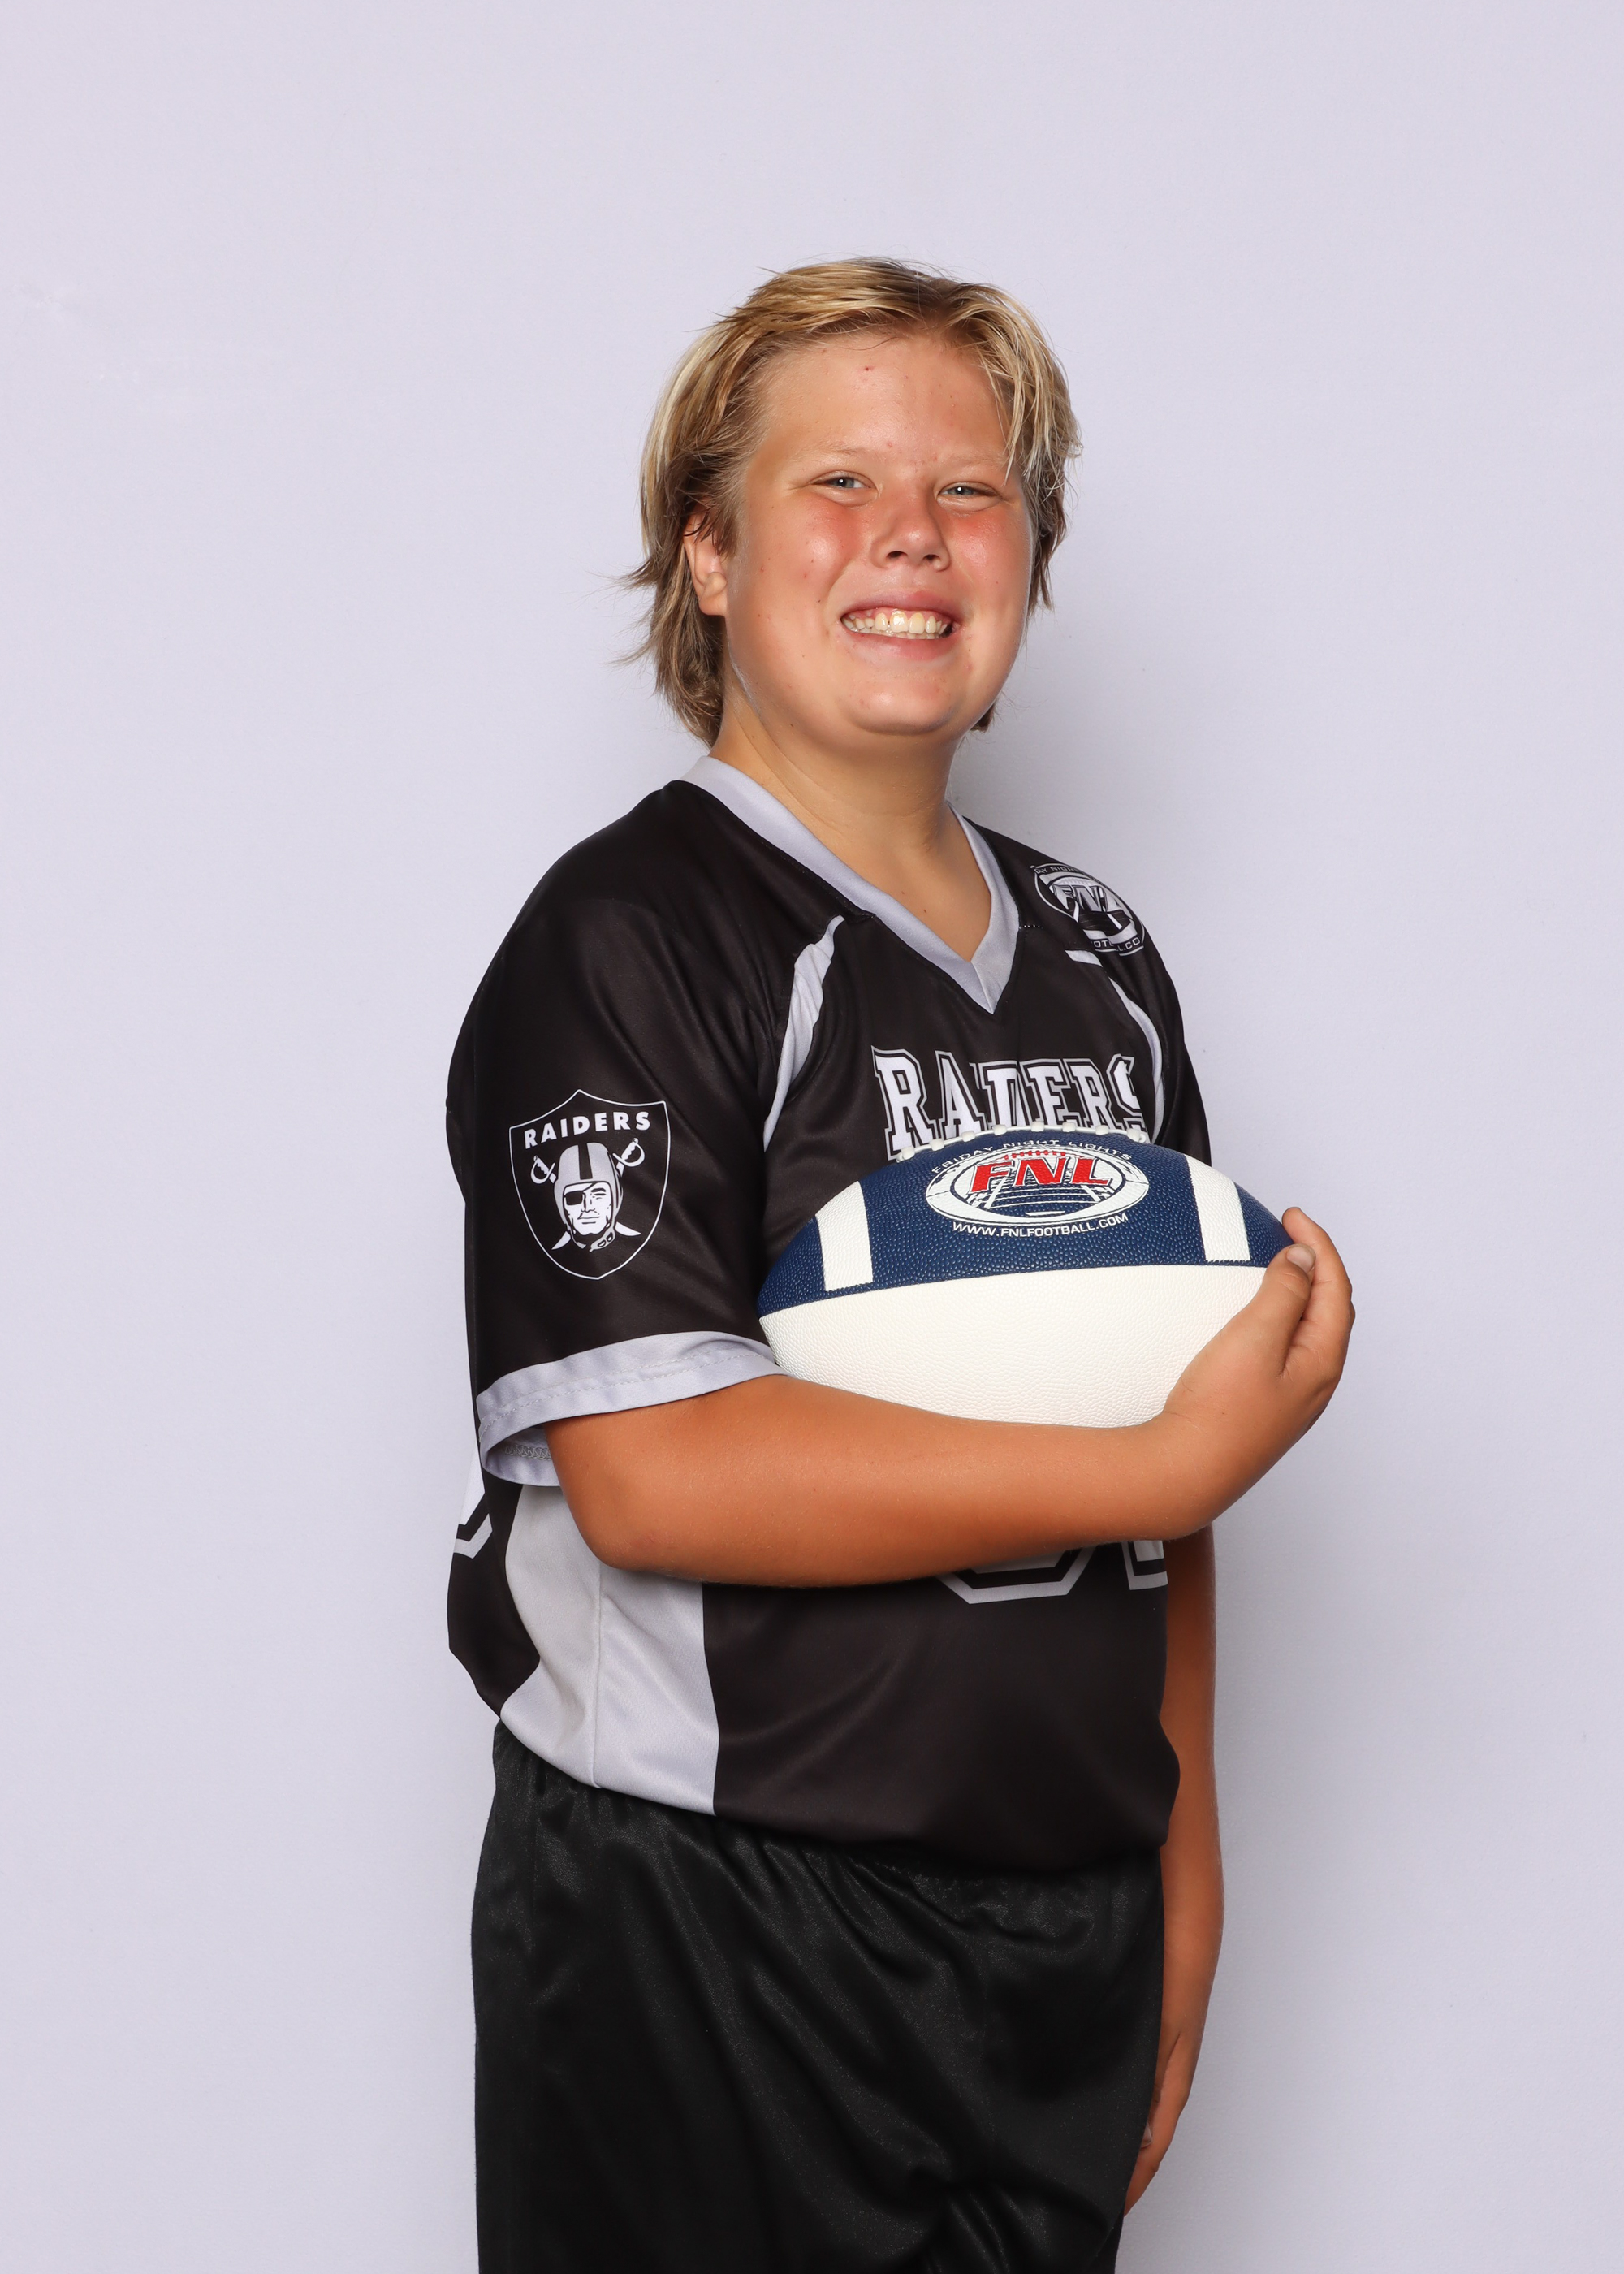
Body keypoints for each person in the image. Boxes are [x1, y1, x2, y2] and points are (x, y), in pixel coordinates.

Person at [446, 257, 1353, 2274]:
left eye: (971, 489)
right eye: (837, 482)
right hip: (717, 1909)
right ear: (707, 552)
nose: (912, 537)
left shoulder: (1101, 955)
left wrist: (1183, 1852)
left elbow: (1170, 1440)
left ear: (1030, 552)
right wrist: (1166, 1463)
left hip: (1057, 1915)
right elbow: (653, 1471)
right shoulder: (631, 936)